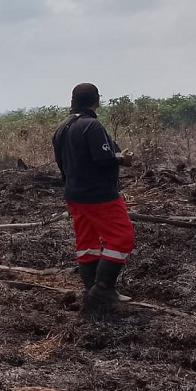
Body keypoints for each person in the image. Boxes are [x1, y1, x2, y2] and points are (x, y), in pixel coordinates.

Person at [52, 83, 136, 309]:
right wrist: (122, 158)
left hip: (74, 194)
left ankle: (91, 289)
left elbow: (63, 163)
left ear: (73, 101)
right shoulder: (92, 125)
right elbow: (103, 160)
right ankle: (103, 289)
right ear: (97, 101)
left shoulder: (62, 128)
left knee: (87, 241)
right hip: (99, 195)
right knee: (122, 238)